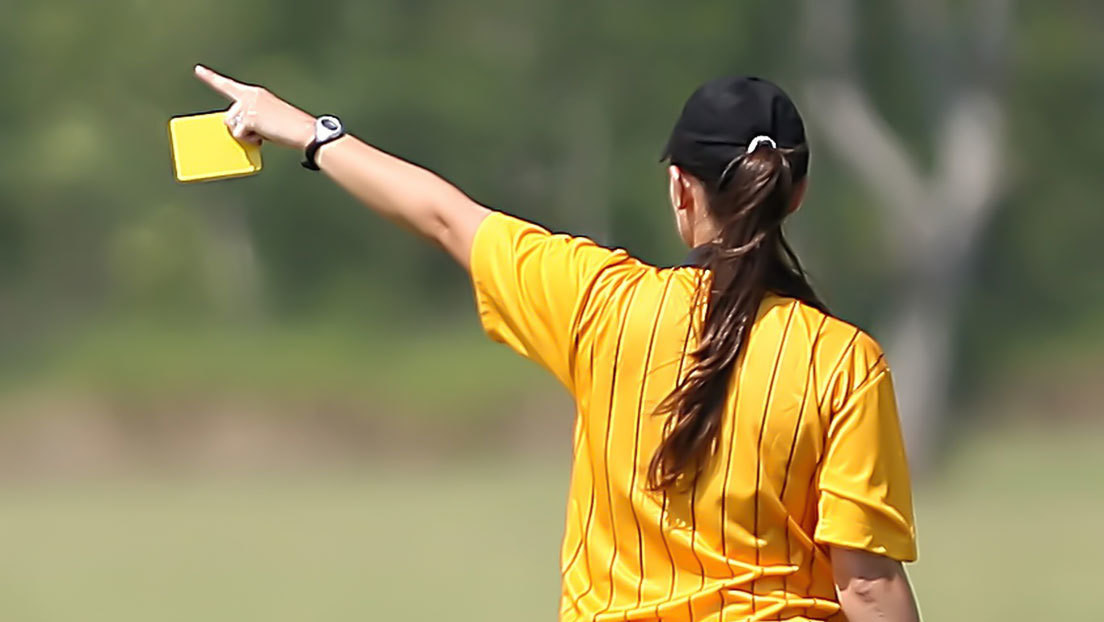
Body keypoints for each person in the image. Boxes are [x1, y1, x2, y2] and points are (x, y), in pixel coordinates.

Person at [194, 65, 921, 622]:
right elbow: (867, 584)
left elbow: (445, 216)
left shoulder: (599, 304)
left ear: (680, 188)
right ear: (795, 194)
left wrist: (306, 131)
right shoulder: (845, 363)